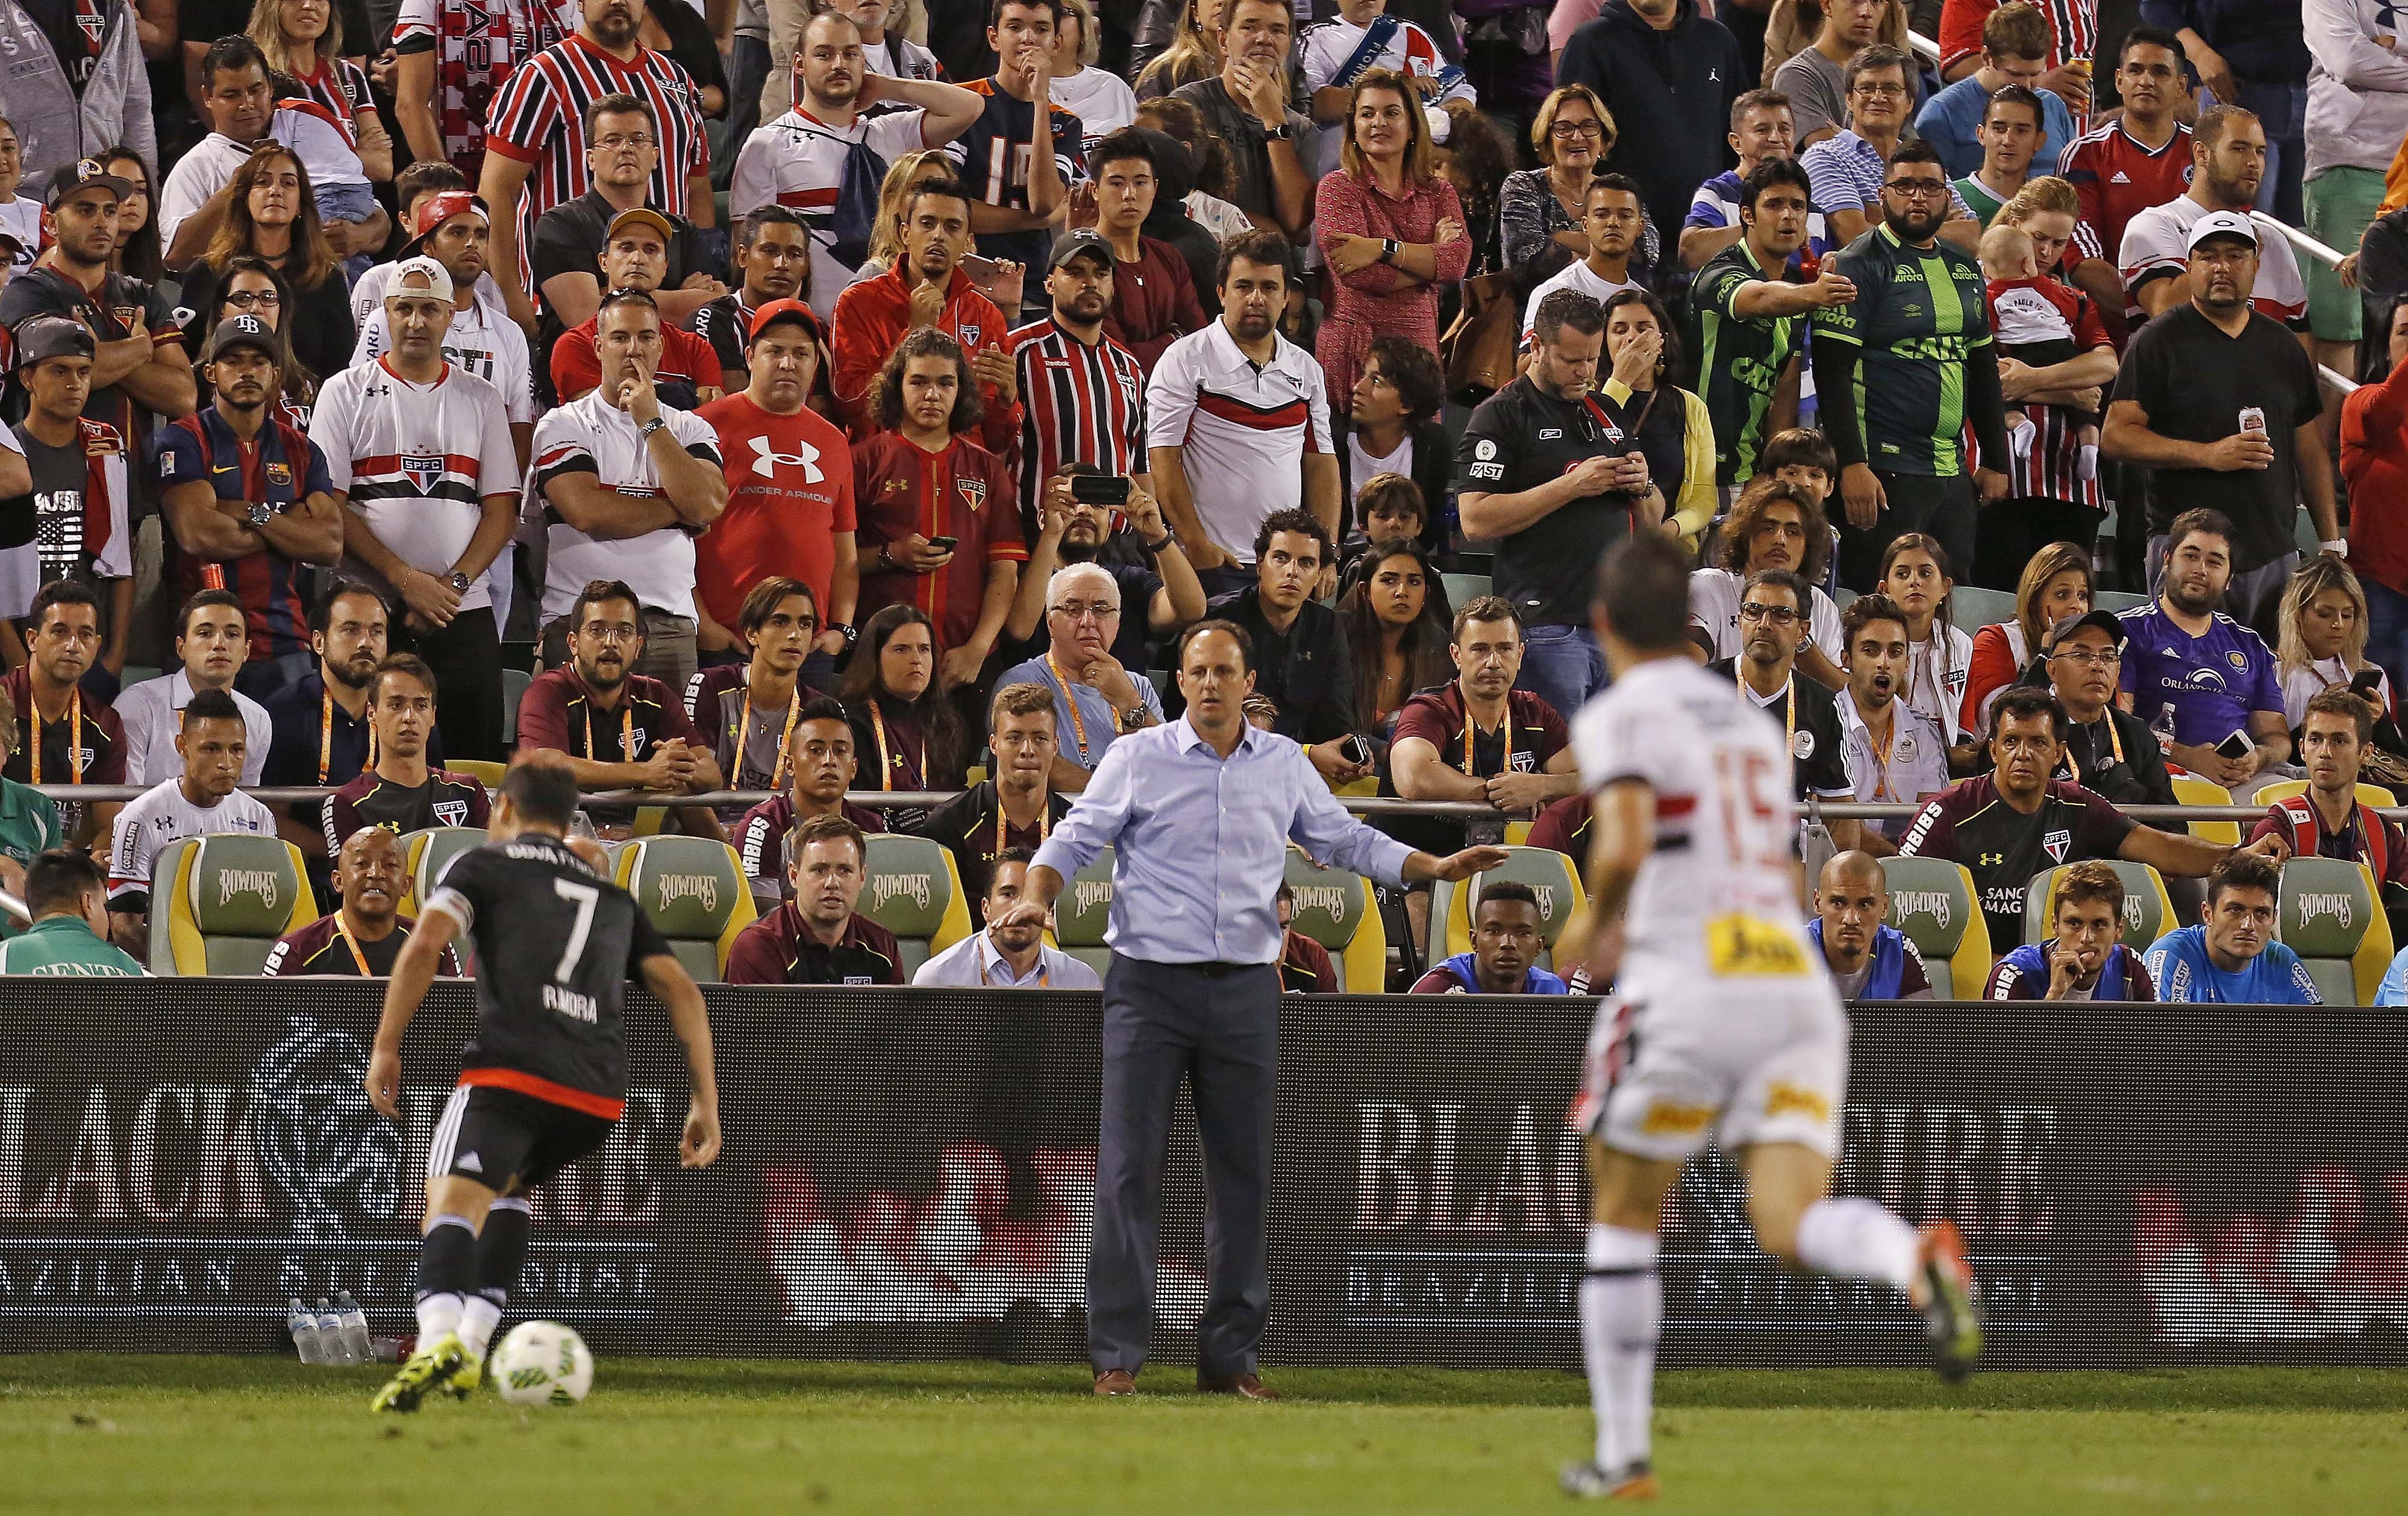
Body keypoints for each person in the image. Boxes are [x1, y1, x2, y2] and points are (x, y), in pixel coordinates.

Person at [1561, 530, 1977, 1499]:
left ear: (1604, 623)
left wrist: (1596, 924)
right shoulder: (1744, 724)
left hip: (1689, 985)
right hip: (1789, 987)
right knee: (1788, 1223)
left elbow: (1622, 839)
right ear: (1697, 623)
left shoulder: (1627, 712)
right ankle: (1912, 1257)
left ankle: (1622, 1456)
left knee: (1624, 1209)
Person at [996, 618, 1507, 1400]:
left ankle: (1230, 1360)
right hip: (1148, 987)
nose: (1207, 684)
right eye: (1195, 671)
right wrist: (1035, 898)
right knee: (1128, 1172)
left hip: (1243, 989)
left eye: (1221, 671)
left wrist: (1431, 865)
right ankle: (1116, 1360)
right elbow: (1070, 842)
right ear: (1182, 683)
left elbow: (1344, 841)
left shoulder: (1281, 766)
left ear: (1245, 682)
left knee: (1242, 1176)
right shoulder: (1137, 758)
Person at [365, 756, 719, 1412]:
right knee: (508, 1188)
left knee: (447, 1203)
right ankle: (472, 1350)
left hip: (510, 1068)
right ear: (568, 821)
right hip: (595, 1096)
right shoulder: (613, 897)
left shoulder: (483, 864)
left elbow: (422, 945)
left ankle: (439, 1335)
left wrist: (386, 1046)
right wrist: (705, 1099)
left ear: (501, 810)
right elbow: (684, 992)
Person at [310, 256, 518, 763]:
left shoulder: (482, 397)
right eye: (404, 308)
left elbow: (502, 508)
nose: (416, 321)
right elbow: (328, 506)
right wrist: (404, 580)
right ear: (385, 313)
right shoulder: (343, 392)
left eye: (429, 309)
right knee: (368, 753)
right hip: (370, 607)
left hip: (461, 610)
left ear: (451, 315)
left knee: (474, 755)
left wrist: (452, 587)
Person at [1899, 686, 2278, 950]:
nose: (2023, 754)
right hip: (1980, 966)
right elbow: (1904, 891)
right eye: (2012, 742)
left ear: (2059, 752)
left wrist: (2239, 855)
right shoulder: (1949, 810)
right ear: (1994, 750)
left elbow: (2161, 846)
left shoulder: (2079, 806)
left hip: (2056, 963)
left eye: (2038, 743)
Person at [2109, 215, 2339, 628]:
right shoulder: (2157, 341)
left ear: (2256, 262)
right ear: (2189, 265)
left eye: (2235, 256)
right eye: (2208, 257)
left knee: (2268, 680)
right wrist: (2208, 454)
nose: (2221, 268)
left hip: (2271, 550)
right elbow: (2117, 436)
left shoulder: (2282, 346)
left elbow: (2309, 449)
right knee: (2184, 678)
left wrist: (2329, 541)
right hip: (2187, 551)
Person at [1811, 137, 2010, 590]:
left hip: (1950, 472)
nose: (1917, 196)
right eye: (1904, 186)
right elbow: (1831, 373)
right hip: (1883, 471)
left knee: (1949, 600)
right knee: (1879, 600)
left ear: (1947, 196)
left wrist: (1996, 460)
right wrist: (1852, 465)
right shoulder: (1856, 264)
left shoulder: (1964, 266)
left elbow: (1980, 367)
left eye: (1929, 186)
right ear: (1883, 196)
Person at [1456, 290, 1644, 721]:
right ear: (1536, 347)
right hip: (1547, 627)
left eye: (1593, 360)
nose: (1584, 372)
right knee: (1557, 771)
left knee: (1609, 775)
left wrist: (1642, 484)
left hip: (1613, 627)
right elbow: (1474, 519)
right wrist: (1570, 486)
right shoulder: (1500, 415)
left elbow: (1646, 517)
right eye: (1570, 360)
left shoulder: (1607, 412)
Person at [533, 287, 729, 692]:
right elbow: (589, 513)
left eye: (645, 338)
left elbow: (708, 504)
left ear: (661, 347)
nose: (633, 350)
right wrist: (679, 510)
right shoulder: (562, 424)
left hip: (669, 625)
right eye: (620, 338)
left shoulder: (689, 427)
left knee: (669, 752)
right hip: (579, 620)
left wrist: (650, 422)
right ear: (598, 347)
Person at [731, 8, 982, 322]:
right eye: (824, 55)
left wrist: (888, 87)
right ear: (799, 64)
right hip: (810, 324)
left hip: (888, 321)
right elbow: (748, 250)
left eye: (851, 55)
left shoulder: (889, 133)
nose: (839, 65)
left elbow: (971, 106)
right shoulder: (767, 144)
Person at [478, 0, 713, 316]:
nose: (618, 1)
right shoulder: (544, 75)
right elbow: (497, 189)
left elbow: (696, 187)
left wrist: (697, 272)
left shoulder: (677, 79)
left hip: (668, 290)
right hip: (571, 286)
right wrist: (509, 292)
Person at [156, 313, 342, 698]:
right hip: (203, 636)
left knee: (289, 756)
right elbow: (198, 534)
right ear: (210, 373)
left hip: (284, 639)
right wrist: (287, 522)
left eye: (258, 362)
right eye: (233, 361)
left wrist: (246, 512)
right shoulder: (183, 439)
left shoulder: (302, 449)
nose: (247, 372)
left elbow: (329, 544)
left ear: (275, 373)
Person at [1147, 230, 1338, 597]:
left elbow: (1321, 463)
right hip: (1212, 565)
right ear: (1221, 293)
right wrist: (1197, 544)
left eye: (1268, 288)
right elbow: (1164, 458)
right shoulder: (1185, 359)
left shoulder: (1307, 370)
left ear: (1286, 298)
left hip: (1286, 570)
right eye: (1243, 286)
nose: (1256, 298)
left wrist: (1323, 551)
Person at [848, 328, 1025, 688]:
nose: (932, 395)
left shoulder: (988, 468)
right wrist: (891, 555)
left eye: (946, 383)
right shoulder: (863, 461)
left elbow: (1004, 572)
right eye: (919, 382)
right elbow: (838, 562)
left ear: (961, 391)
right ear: (898, 386)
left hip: (966, 663)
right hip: (881, 660)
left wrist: (976, 650)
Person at [0, 162, 189, 486]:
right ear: (51, 223)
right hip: (53, 484)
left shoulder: (142, 295)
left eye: (109, 211)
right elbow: (59, 383)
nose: (101, 222)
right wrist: (140, 348)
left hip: (136, 486)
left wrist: (103, 355)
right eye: (85, 211)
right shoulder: (28, 292)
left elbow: (183, 396)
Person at [692, 301, 855, 669]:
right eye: (775, 351)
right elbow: (678, 537)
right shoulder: (703, 427)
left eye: (801, 353)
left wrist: (842, 631)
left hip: (809, 649)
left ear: (816, 363)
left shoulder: (833, 441)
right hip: (727, 642)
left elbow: (845, 553)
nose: (788, 363)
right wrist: (704, 624)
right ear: (750, 356)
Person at [1690, 158, 1857, 495]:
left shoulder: (1798, 288)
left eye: (1798, 206)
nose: (1788, 215)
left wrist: (1771, 469)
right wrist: (1814, 293)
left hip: (1754, 472)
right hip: (1698, 467)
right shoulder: (1718, 273)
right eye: (1774, 205)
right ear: (1747, 216)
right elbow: (1760, 297)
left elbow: (1786, 385)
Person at [160, 37, 389, 274]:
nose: (247, 104)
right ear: (208, 97)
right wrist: (235, 190)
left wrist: (358, 236)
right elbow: (175, 257)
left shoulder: (305, 126)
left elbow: (376, 216)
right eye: (231, 95)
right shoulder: (197, 165)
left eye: (255, 90)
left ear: (270, 87)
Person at [827, 178, 1023, 454]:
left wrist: (1007, 400)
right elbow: (851, 406)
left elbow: (996, 440)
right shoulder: (859, 302)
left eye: (952, 227)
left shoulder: (985, 315)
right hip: (883, 470)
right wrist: (914, 335)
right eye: (927, 223)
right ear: (905, 233)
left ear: (968, 242)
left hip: (961, 476)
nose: (938, 236)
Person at [1312, 67, 1469, 410]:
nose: (1378, 123)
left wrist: (1379, 248)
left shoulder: (1438, 190)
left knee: (1421, 455)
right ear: (1353, 128)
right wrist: (1429, 262)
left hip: (1419, 347)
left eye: (1391, 113)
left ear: (1412, 126)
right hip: (1353, 347)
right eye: (1367, 114)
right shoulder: (1337, 189)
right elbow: (1360, 275)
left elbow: (1456, 264)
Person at [1553, 0, 1745, 281]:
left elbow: (1737, 144)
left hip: (1706, 246)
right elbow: (1569, 149)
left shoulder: (1719, 41)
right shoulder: (1590, 43)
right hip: (1625, 251)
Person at [1970, 221, 2116, 582]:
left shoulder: (2077, 301)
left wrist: (2030, 380)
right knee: (2005, 593)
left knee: (2069, 596)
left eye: (2059, 242)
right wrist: (2069, 390)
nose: (2047, 253)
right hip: (2006, 476)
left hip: (2074, 483)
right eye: (2038, 240)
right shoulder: (1977, 300)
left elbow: (2106, 364)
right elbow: (1985, 381)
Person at [516, 578, 725, 825]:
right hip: (563, 834)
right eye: (597, 630)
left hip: (634, 839)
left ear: (638, 646)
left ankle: (736, 863)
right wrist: (645, 773)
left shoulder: (655, 695)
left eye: (624, 632)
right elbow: (546, 768)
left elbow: (712, 774)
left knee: (686, 790)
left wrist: (678, 766)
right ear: (573, 643)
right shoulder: (547, 692)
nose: (611, 642)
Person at [2119, 508, 2297, 797]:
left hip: (2246, 781)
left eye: (2214, 562)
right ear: (2166, 561)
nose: (2200, 569)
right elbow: (2115, 725)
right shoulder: (2127, 631)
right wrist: (2187, 757)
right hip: (2162, 773)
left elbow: (2277, 738)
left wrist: (2258, 757)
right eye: (2190, 556)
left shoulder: (2250, 646)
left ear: (2228, 579)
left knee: (2297, 809)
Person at [527, 93, 721, 349]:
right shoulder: (560, 225)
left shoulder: (683, 230)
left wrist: (610, 295)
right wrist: (680, 297)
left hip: (672, 374)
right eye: (612, 140)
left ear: (654, 156)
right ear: (591, 159)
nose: (626, 148)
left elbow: (712, 309)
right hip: (585, 376)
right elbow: (586, 315)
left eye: (637, 139)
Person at [352, 194, 536, 456]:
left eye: (481, 235)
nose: (472, 243)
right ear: (428, 247)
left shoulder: (509, 333)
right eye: (458, 233)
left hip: (483, 479)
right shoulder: (386, 320)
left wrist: (507, 492)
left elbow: (518, 426)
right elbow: (361, 402)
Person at [3, 318, 133, 685]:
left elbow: (122, 563)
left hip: (87, 649)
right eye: (59, 371)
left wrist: (115, 657)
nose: (74, 383)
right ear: (27, 378)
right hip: (19, 644)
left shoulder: (106, 449)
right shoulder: (7, 457)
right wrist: (17, 659)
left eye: (83, 372)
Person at [104, 687, 276, 952]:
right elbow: (125, 926)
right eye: (211, 749)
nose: (226, 763)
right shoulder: (140, 818)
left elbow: (268, 913)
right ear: (182, 746)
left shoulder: (259, 818)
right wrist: (183, 967)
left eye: (237, 750)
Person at [177, 142, 359, 389]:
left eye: (288, 183)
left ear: (300, 204)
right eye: (262, 182)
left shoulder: (326, 277)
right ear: (245, 198)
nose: (275, 191)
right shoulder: (207, 273)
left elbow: (336, 372)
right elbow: (187, 362)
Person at [1010, 230, 1154, 530]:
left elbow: (1139, 464)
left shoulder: (1129, 366)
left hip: (1115, 538)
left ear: (1113, 285)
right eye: (1075, 272)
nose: (1090, 282)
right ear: (1049, 283)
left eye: (1101, 273)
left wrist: (1151, 537)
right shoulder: (1019, 351)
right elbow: (994, 452)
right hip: (1038, 530)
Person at [2119, 106, 2309, 328]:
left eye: (2260, 152)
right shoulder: (2155, 225)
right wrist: (2233, 246)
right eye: (2239, 149)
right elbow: (2165, 312)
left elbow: (2300, 343)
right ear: (2202, 153)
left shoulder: (2273, 239)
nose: (2253, 162)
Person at [2301, 0, 2406, 399]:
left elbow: (2367, 63)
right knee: (2338, 326)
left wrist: (2389, 45)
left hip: (2407, 164)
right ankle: (2336, 454)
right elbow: (2349, 63)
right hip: (2349, 158)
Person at [1200, 510, 1362, 764]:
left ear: (1320, 574)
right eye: (1281, 558)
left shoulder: (1327, 626)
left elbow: (1338, 721)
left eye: (1306, 563)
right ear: (1260, 564)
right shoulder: (1220, 621)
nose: (1292, 572)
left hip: (1305, 769)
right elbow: (1204, 722)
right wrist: (1307, 754)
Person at [1708, 569, 1859, 842]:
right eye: (1753, 611)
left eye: (1781, 614)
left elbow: (1840, 813)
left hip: (1782, 862)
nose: (1764, 623)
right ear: (1740, 621)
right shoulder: (1699, 691)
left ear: (1802, 631)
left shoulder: (1823, 705)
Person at [1005, 464, 1201, 673]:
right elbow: (1019, 630)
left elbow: (1191, 610)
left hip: (1119, 704)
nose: (1084, 510)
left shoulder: (1129, 583)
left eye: (1098, 505)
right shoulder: (1021, 581)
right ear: (1042, 519)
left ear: (1109, 529)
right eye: (1071, 502)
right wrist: (1052, 534)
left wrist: (1157, 535)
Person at [947, 0, 1083, 298]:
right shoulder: (961, 103)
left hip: (1033, 282)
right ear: (994, 38)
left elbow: (1044, 203)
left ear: (1057, 43)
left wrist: (1040, 103)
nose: (1028, 38)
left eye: (1041, 28)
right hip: (962, 281)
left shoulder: (1065, 121)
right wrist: (1033, 222)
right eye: (1015, 26)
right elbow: (947, 209)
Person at [997, 562, 1166, 793]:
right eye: (1073, 609)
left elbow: (1164, 769)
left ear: (1117, 622)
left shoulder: (1138, 687)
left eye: (1101, 609)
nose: (1088, 621)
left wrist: (1129, 702)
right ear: (1050, 622)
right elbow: (1038, 766)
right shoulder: (1023, 682)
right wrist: (1117, 796)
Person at [1801, 48, 1981, 254]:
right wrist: (1932, 223)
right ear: (1850, 100)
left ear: (1910, 103)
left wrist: (1883, 219)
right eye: (1867, 88)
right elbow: (1858, 239)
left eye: (1891, 89)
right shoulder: (1826, 157)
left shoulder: (1921, 160)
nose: (1878, 97)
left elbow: (1971, 236)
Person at [258, 578, 389, 858]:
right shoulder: (283, 713)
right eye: (351, 630)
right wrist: (343, 855)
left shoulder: (407, 714)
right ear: (318, 641)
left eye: (377, 631)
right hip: (310, 876)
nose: (366, 642)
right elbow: (268, 819)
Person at [546, 207, 724, 411]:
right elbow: (603, 415)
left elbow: (709, 418)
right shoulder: (576, 344)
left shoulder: (695, 349)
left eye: (651, 249)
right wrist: (682, 394)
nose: (638, 259)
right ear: (604, 262)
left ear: (666, 265)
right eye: (626, 247)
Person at [908, 682, 1073, 903]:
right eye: (1014, 738)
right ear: (994, 745)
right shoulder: (950, 824)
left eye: (1039, 738)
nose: (1027, 750)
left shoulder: (1077, 828)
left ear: (1055, 745)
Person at [322, 654, 493, 853]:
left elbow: (493, 869)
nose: (409, 717)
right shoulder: (348, 804)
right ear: (372, 713)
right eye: (396, 705)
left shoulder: (468, 791)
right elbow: (351, 881)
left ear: (433, 716)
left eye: (421, 706)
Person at [390, 0, 577, 183]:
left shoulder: (565, 4)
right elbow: (410, 105)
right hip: (466, 162)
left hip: (550, 166)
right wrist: (447, 188)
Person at [1687, 477, 1847, 689]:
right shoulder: (1708, 586)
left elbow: (1841, 694)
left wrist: (1798, 636)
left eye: (1793, 532)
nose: (1780, 540)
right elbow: (1686, 669)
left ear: (1808, 546)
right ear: (1746, 536)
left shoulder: (1822, 606)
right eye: (1768, 528)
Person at [1169, 0, 1311, 239]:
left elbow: (1296, 221)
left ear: (1288, 44)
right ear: (1224, 40)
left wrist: (1274, 120)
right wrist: (1266, 231)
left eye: (1277, 30)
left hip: (1278, 270)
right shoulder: (1188, 105)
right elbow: (1181, 196)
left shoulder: (1300, 126)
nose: (1264, 39)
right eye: (1249, 27)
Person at [730, 694, 887, 907]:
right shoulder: (764, 826)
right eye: (816, 751)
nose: (829, 761)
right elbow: (763, 920)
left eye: (840, 751)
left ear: (854, 768)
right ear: (790, 766)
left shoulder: (872, 828)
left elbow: (882, 908)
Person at [2059, 25, 2193, 275]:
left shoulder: (2205, 154)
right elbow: (2081, 260)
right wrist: (2141, 308)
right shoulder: (2085, 154)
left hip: (2192, 305)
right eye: (2136, 70)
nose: (2146, 81)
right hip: (2111, 308)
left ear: (2181, 86)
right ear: (2120, 80)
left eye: (2160, 72)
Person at [2, 581, 127, 845]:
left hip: (70, 867)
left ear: (97, 645)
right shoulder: (3, 704)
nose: (73, 645)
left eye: (85, 635)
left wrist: (86, 865)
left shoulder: (106, 723)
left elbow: (109, 825)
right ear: (33, 640)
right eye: (59, 632)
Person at [1073, 130, 1206, 376]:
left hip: (1173, 402)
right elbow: (1117, 361)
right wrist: (1176, 336)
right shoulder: (1081, 264)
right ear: (1094, 189)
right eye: (1116, 183)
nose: (1130, 195)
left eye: (1140, 182)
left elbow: (1201, 342)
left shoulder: (1170, 257)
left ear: (1155, 188)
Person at [2251, 688, 2408, 893]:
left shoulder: (2384, 833)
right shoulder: (2278, 830)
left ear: (2366, 753)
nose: (2325, 752)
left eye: (2339, 740)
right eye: (2315, 740)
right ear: (2302, 749)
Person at [723, 811, 906, 984]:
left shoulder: (882, 946)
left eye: (845, 870)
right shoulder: (759, 946)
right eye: (819, 870)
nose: (832, 883)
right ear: (794, 876)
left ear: (862, 877)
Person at [113, 590, 272, 786]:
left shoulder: (258, 719)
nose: (219, 644)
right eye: (205, 633)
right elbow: (126, 803)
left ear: (246, 651)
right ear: (181, 647)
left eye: (232, 635)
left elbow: (245, 805)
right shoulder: (138, 705)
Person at [263, 825, 465, 977]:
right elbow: (262, 1029)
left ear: (406, 885)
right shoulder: (297, 951)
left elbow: (461, 1027)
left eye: (390, 864)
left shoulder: (435, 948)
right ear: (338, 881)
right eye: (361, 864)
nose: (376, 873)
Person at [1835, 594, 1949, 853]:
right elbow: (1835, 826)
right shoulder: (1823, 725)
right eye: (1870, 650)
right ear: (1847, 660)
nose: (1884, 663)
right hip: (1836, 872)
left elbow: (1933, 823)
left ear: (1907, 662)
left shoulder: (1925, 734)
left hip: (1908, 870)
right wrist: (1900, 859)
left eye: (1895, 652)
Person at [0, 0, 150, 192]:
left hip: (104, 197)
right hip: (24, 200)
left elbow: (137, 110)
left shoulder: (114, 7)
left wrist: (144, 192)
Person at [1916, 5, 2077, 182]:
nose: (2026, 85)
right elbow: (1933, 192)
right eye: (2015, 74)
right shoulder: (1941, 114)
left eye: (2035, 74)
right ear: (1986, 58)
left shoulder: (2054, 105)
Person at [2037, 608, 2178, 810]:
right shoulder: (2027, 729)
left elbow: (2172, 823)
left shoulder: (2136, 734)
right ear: (2052, 669)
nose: (2098, 666)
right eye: (2082, 655)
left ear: (2118, 671)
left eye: (2108, 657)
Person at [2144, 850, 2322, 1005]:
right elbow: (2162, 1040)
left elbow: (2322, 1038)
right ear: (2208, 914)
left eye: (2261, 913)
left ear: (2273, 919)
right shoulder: (2171, 957)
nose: (2249, 925)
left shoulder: (2282, 961)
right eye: (2236, 910)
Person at [1681, 89, 1829, 273]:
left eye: (1785, 129)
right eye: (1762, 130)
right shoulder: (1718, 194)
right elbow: (1690, 254)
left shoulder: (1807, 205)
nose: (1776, 138)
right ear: (1737, 143)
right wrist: (1758, 229)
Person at [916, 844, 1104, 988]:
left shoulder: (1080, 981)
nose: (1019, 909)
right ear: (985, 908)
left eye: (1031, 897)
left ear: (1050, 912)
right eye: (1008, 894)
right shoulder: (937, 979)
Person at [840, 604, 969, 807]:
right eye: (902, 649)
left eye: (924, 649)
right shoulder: (848, 720)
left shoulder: (947, 722)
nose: (916, 660)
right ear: (874, 657)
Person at [1960, 537, 2088, 732]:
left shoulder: (2095, 655)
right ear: (2034, 600)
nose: (2077, 606)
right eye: (2062, 595)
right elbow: (1997, 723)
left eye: (2082, 596)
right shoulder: (1995, 641)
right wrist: (2045, 657)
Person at [2347, 296, 2408, 697]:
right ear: (2385, 347)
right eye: (2404, 334)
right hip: (2379, 593)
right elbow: (2384, 408)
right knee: (2380, 717)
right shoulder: (2360, 402)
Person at [1983, 859, 2157, 1000]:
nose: (2086, 938)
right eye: (2074, 924)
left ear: (2119, 929)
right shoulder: (2015, 975)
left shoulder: (2129, 968)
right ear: (2055, 926)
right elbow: (2002, 1044)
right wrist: (2055, 995)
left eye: (2099, 925)